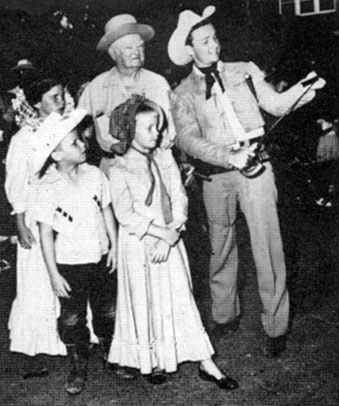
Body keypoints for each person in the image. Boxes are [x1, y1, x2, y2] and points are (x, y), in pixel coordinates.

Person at [168, 6, 326, 357]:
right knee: (220, 246)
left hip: (256, 167)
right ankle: (224, 316)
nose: (215, 46)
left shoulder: (245, 71)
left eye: (216, 38)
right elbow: (188, 140)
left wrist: (307, 87)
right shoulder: (181, 92)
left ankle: (276, 325)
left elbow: (275, 104)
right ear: (190, 50)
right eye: (206, 41)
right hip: (217, 175)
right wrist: (228, 157)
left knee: (267, 245)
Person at [107, 95, 238, 390]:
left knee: (181, 298)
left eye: (158, 127)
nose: (157, 134)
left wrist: (173, 231)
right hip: (139, 244)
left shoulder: (164, 158)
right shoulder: (119, 169)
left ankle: (207, 363)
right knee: (146, 299)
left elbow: (179, 196)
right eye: (150, 128)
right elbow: (125, 214)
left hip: (169, 239)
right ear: (129, 131)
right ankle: (151, 358)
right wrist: (158, 233)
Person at [35, 110, 117, 395]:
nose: (83, 144)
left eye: (81, 139)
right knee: (72, 317)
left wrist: (114, 245)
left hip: (100, 256)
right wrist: (54, 274)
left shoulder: (94, 174)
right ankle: (78, 364)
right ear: (56, 155)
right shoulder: (47, 186)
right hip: (70, 263)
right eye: (74, 143)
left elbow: (106, 209)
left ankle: (111, 353)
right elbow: (45, 233)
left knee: (108, 309)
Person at [5, 78, 68, 378]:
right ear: (37, 102)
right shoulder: (23, 138)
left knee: (67, 272)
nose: (61, 102)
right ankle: (34, 347)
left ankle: (72, 337)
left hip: (66, 211)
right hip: (35, 213)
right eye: (54, 98)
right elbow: (17, 180)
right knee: (35, 279)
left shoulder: (67, 128)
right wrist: (20, 220)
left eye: (63, 96)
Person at [78, 13, 176, 176]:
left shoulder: (158, 83)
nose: (136, 52)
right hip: (114, 167)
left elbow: (172, 128)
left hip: (155, 165)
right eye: (128, 48)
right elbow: (78, 127)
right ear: (113, 53)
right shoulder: (97, 87)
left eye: (140, 47)